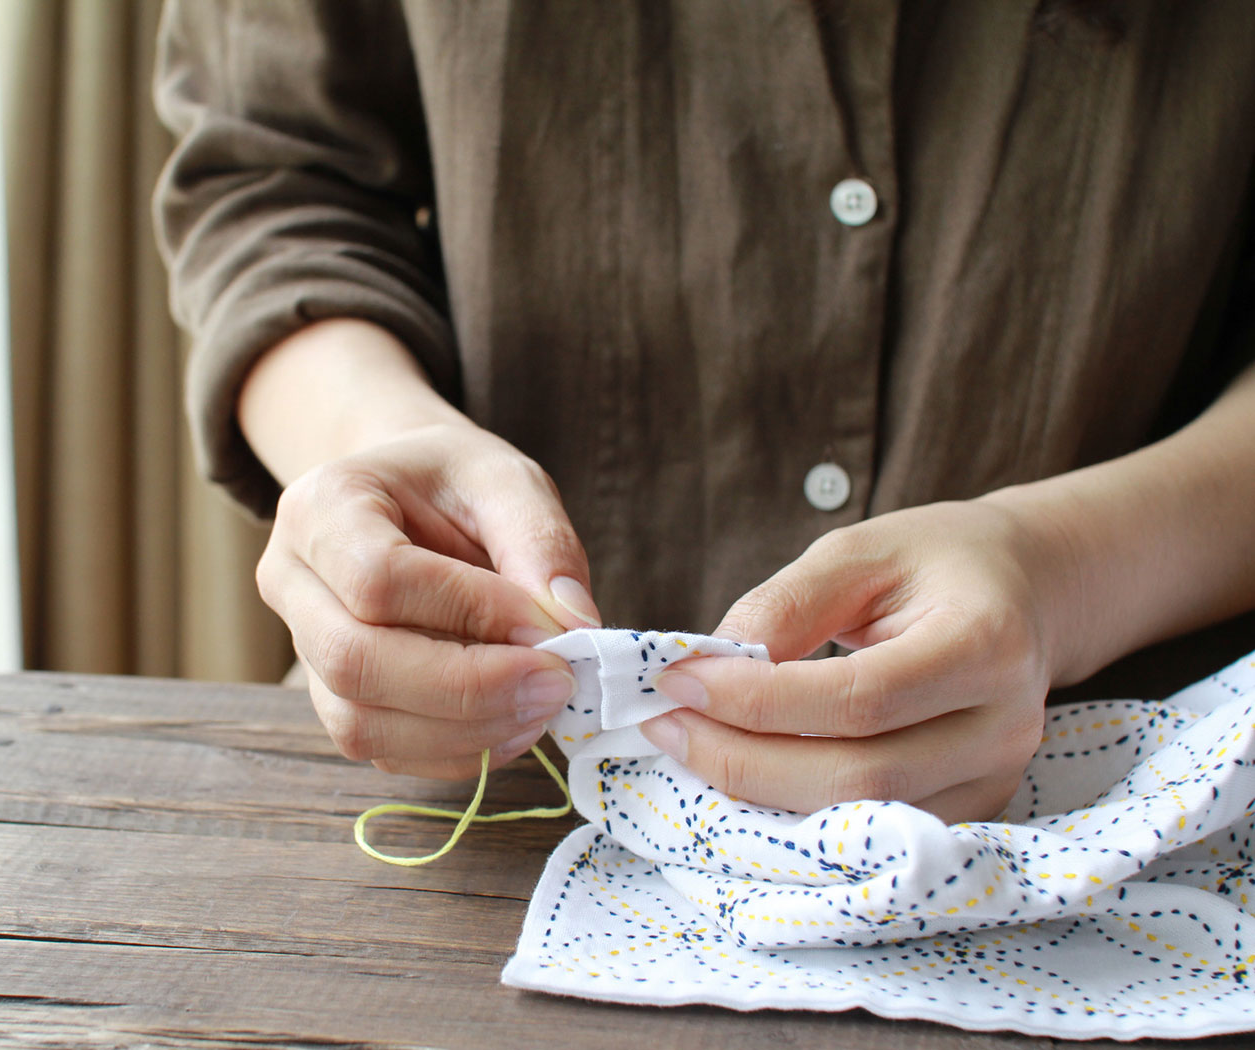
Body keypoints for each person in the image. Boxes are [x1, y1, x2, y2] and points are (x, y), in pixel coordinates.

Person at [153, 0, 1255, 823]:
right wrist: (369, 442)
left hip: (1122, 816)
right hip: (475, 813)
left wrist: (1068, 570)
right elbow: (275, 173)